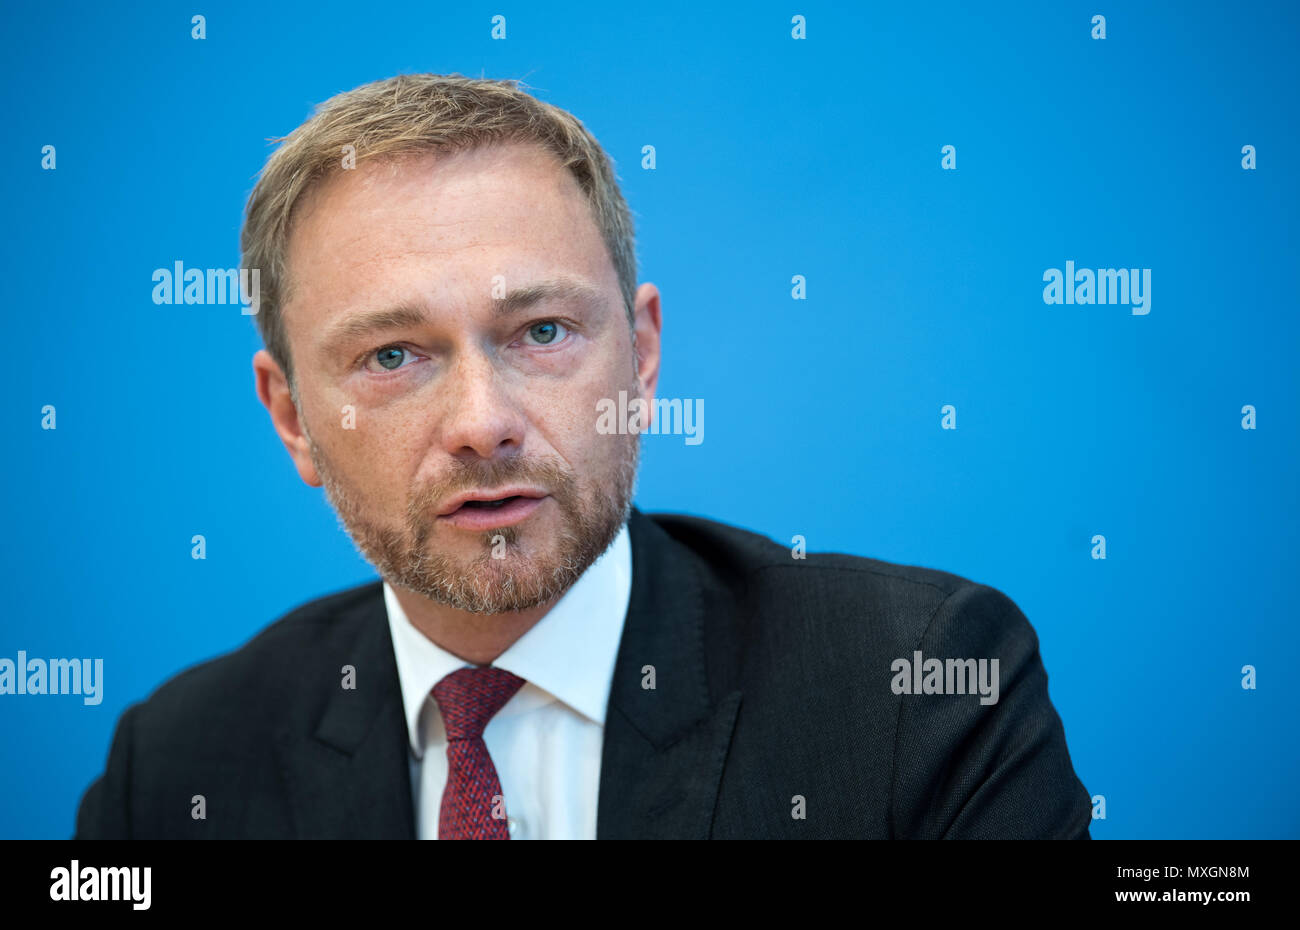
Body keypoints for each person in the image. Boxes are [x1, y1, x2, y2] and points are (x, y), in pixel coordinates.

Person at [75, 74, 1091, 839]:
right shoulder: (173, 769)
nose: (483, 422)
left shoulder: (923, 693)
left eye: (543, 332)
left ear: (642, 356)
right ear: (292, 415)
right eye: (393, 355)